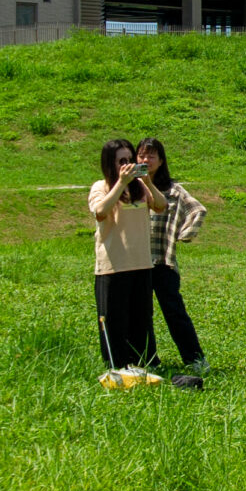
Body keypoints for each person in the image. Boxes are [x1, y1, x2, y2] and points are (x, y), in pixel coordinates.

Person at [88, 137, 167, 381]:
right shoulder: (101, 187)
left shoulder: (140, 188)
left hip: (141, 263)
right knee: (114, 319)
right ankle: (117, 365)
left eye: (130, 160)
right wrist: (120, 183)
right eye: (122, 161)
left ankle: (144, 361)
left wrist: (146, 182)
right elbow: (100, 212)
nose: (128, 165)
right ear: (111, 164)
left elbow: (161, 205)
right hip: (113, 265)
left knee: (141, 317)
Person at [135, 136, 207, 375]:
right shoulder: (131, 187)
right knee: (141, 315)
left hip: (162, 260)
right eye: (142, 155)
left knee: (174, 312)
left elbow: (197, 209)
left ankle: (195, 359)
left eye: (151, 155)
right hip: (135, 260)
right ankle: (149, 360)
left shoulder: (173, 190)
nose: (146, 160)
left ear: (161, 160)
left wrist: (185, 234)